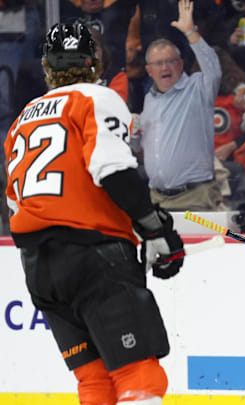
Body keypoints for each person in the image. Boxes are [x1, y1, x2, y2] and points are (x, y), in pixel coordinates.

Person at [4, 21, 184, 405]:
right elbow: (113, 169)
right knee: (139, 374)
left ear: (47, 66)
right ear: (95, 60)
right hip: (94, 257)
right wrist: (154, 229)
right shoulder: (95, 98)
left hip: (39, 267)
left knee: (95, 381)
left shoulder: (23, 118)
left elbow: (15, 200)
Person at [136, 0, 223, 211]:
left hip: (194, 197)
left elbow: (214, 68)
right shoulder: (149, 100)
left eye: (171, 61)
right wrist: (133, 135)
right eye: (158, 63)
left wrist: (190, 32)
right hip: (157, 199)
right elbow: (140, 148)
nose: (165, 67)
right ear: (149, 71)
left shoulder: (198, 88)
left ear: (181, 64)